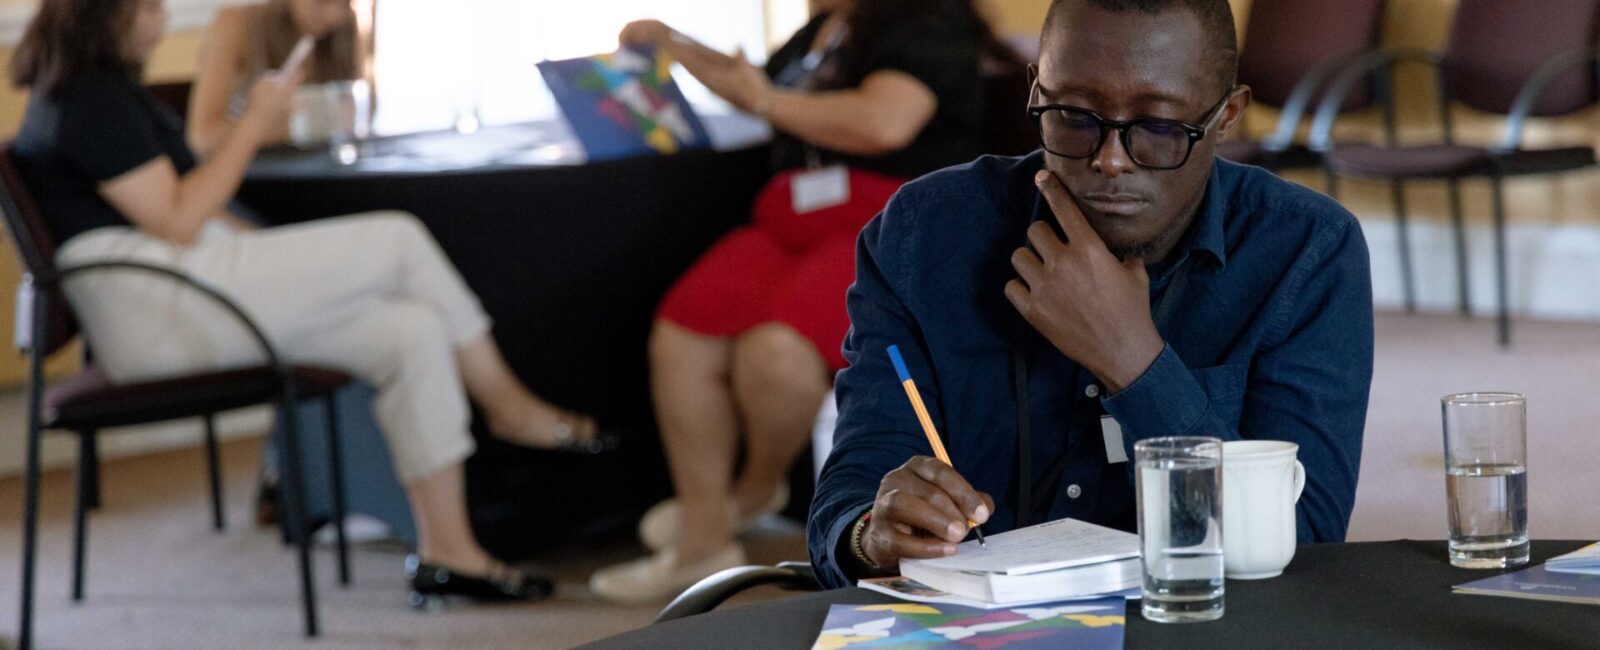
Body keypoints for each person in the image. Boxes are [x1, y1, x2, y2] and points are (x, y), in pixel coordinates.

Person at [10, 0, 601, 604]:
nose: (160, 21)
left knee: (409, 329)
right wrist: (255, 122)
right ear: (107, 15)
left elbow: (192, 217)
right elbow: (180, 219)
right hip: (158, 313)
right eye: (151, 8)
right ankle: (509, 407)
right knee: (398, 238)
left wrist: (304, 263)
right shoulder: (87, 99)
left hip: (179, 294)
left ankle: (450, 550)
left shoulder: (95, 93)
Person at [807, 0, 1375, 588]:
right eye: (1073, 116)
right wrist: (871, 533)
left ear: (1226, 116)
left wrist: (1133, 362)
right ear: (1036, 91)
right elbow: (849, 503)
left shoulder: (1305, 252)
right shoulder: (923, 235)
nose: (1108, 160)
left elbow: (1307, 544)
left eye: (1158, 128)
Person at [589, 0, 1010, 602]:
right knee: (684, 323)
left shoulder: (927, 22)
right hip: (792, 218)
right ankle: (704, 535)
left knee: (776, 351)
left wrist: (760, 100)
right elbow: (753, 84)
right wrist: (671, 43)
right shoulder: (819, 31)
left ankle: (756, 491)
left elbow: (882, 123)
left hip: (880, 221)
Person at [188, 0, 370, 155]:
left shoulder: (343, 32)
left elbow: (359, 119)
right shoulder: (237, 25)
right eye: (322, 0)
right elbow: (203, 138)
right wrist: (290, 126)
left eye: (346, 3)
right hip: (253, 180)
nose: (334, 16)